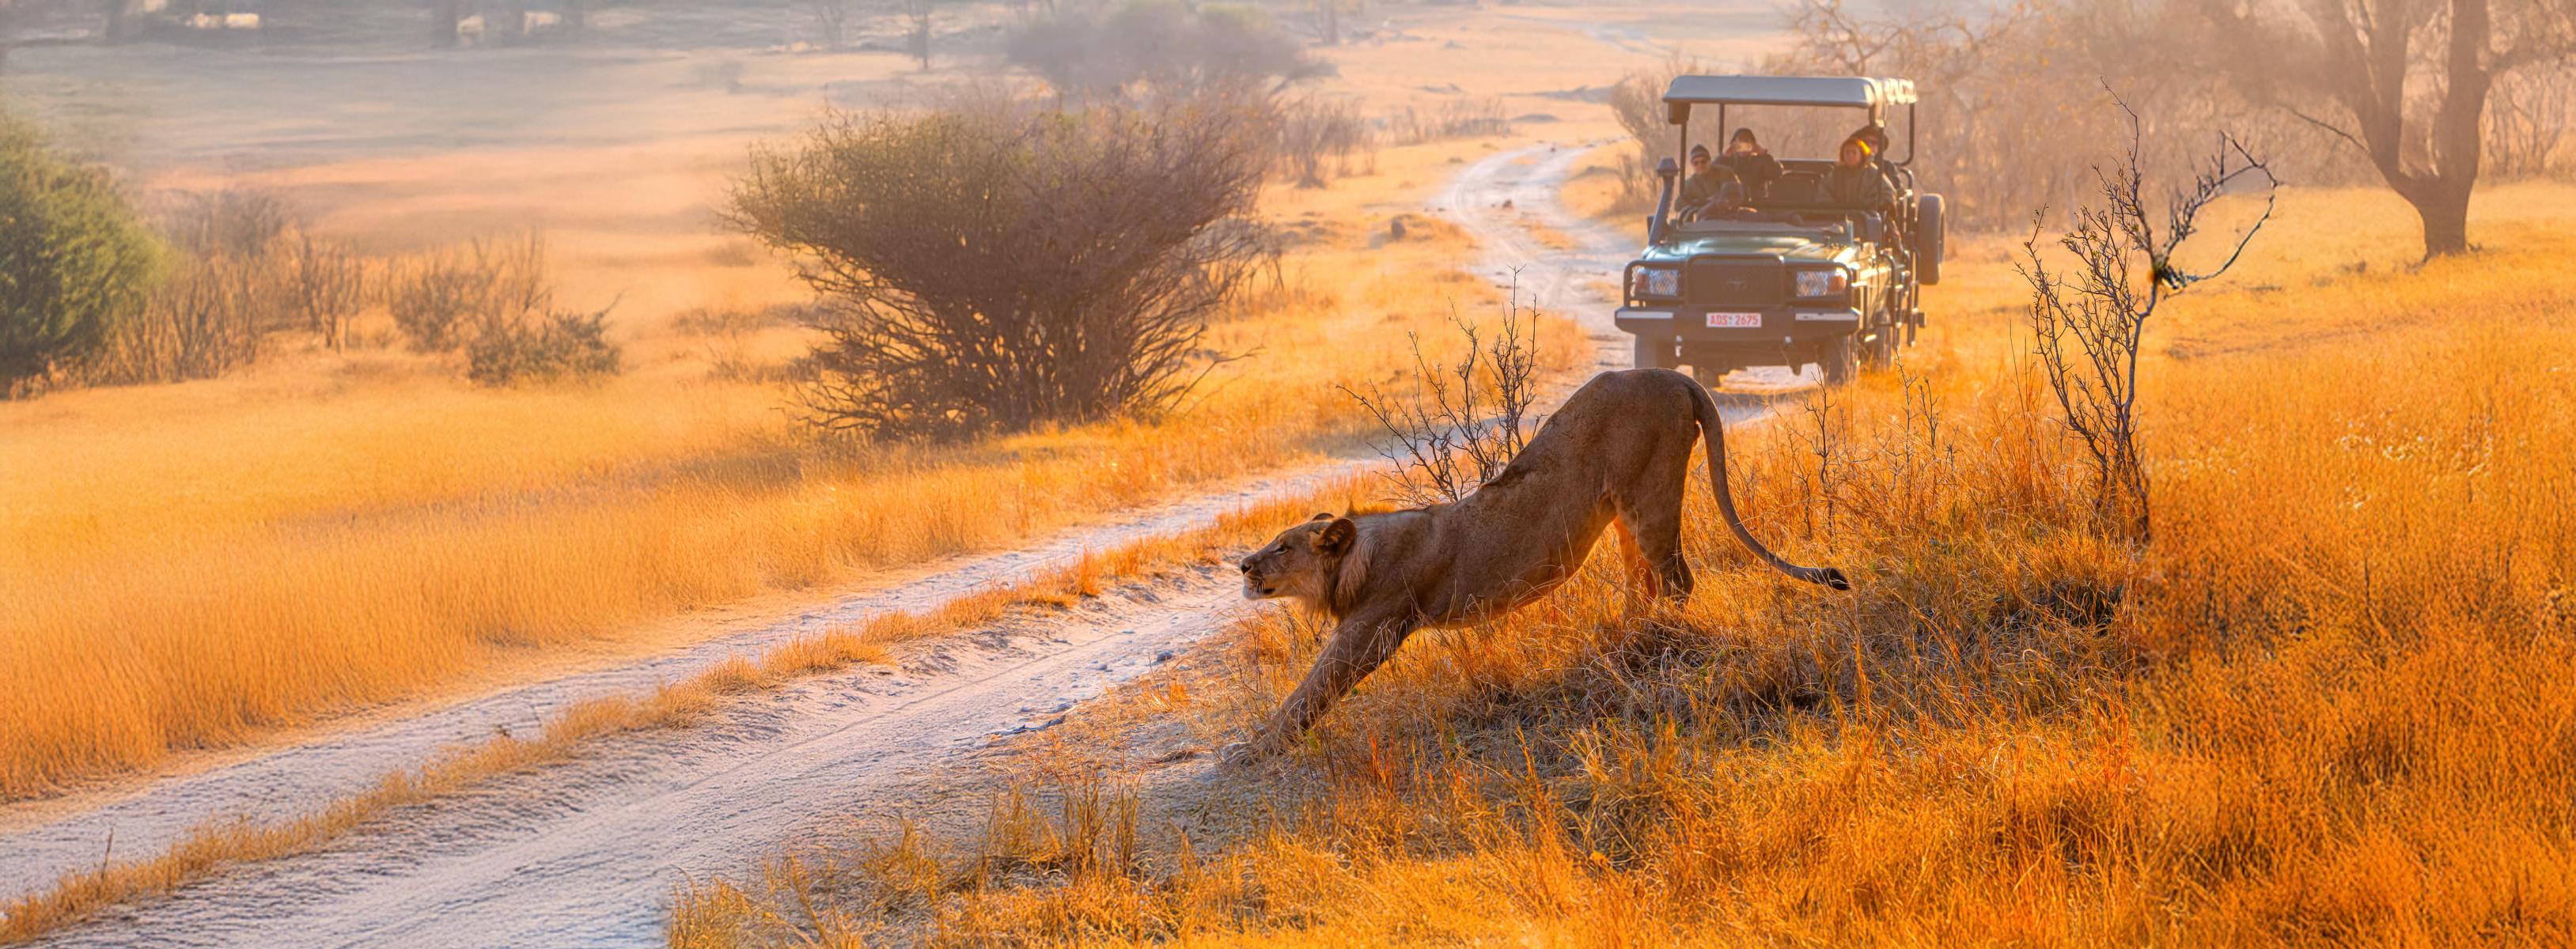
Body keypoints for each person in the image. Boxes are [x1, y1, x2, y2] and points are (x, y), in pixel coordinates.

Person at [1825, 134, 1892, 208]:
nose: (1850, 156)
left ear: (1862, 154)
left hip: (1868, 216)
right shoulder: (1835, 174)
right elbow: (1824, 195)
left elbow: (1887, 194)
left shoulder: (1873, 173)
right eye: (1847, 152)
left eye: (1854, 152)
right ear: (1842, 155)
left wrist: (1868, 206)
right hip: (1839, 217)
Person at [1717, 127, 1782, 199]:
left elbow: (1774, 175)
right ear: (1733, 145)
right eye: (1740, 144)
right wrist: (1723, 157)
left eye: (1747, 143)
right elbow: (1712, 173)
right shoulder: (1727, 161)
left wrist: (1764, 155)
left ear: (1753, 145)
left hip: (1758, 202)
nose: (1743, 148)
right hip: (1731, 202)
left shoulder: (1761, 160)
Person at [1676, 143, 1739, 214]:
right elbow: (1678, 206)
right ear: (1692, 165)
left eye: (1703, 161)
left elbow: (1737, 194)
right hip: (1705, 220)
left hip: (1729, 216)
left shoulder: (1725, 173)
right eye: (1696, 163)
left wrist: (1722, 199)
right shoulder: (1690, 183)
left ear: (1709, 161)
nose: (1700, 165)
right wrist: (1702, 201)